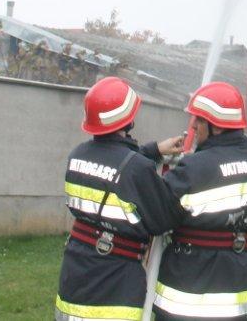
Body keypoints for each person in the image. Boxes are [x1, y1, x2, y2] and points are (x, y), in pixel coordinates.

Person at [56, 76, 182, 321]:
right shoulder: (136, 169)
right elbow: (165, 219)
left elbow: (115, 162)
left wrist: (155, 149)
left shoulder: (77, 156)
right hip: (115, 280)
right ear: (128, 119)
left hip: (75, 272)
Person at [152, 82, 247, 320]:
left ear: (216, 126)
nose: (194, 126)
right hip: (238, 282)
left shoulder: (196, 167)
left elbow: (157, 217)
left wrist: (165, 171)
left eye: (199, 120)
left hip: (189, 284)